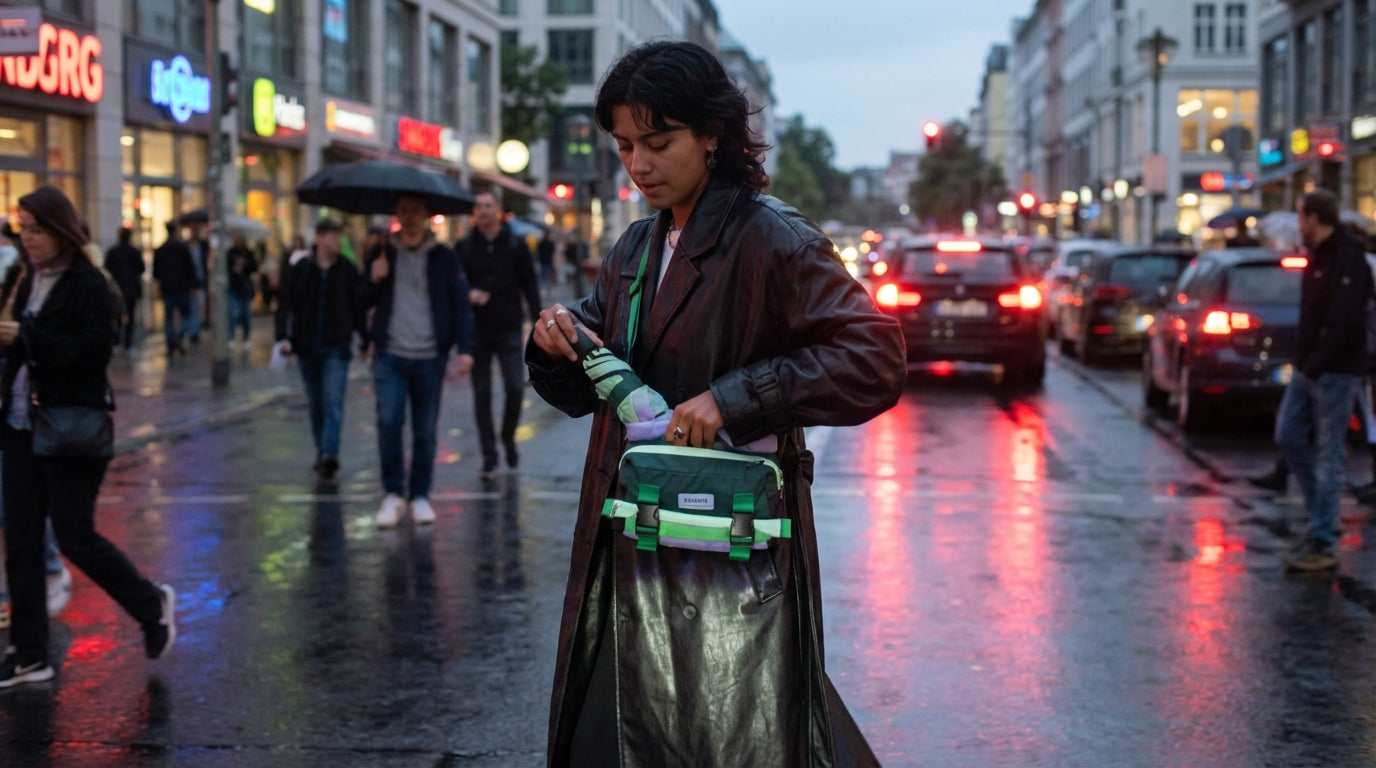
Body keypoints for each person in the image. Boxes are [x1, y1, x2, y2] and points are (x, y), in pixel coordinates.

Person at [526, 41, 905, 766]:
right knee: (640, 719)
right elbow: (592, 381)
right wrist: (554, 344)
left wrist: (731, 400)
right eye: (625, 145)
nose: (638, 164)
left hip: (734, 542)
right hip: (636, 532)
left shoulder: (774, 238)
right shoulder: (636, 245)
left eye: (658, 142)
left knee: (747, 726)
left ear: (713, 135)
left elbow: (874, 357)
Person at [0, 185, 175, 689]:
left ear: (60, 230)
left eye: (35, 229)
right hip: (19, 426)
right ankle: (30, 653)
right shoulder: (22, 276)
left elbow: (93, 353)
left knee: (75, 534)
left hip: (71, 427)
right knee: (22, 541)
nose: (26, 239)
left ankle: (150, 604)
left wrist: (27, 336)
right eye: (21, 228)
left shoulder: (89, 284)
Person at [360, 195, 476, 528]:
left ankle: (420, 494)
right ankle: (393, 492)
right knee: (388, 423)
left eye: (415, 212)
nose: (409, 218)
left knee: (425, 432)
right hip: (390, 355)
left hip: (429, 356)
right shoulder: (382, 253)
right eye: (403, 211)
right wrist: (373, 278)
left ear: (426, 216)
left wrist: (465, 349)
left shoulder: (445, 257)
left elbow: (460, 305)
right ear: (396, 215)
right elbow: (361, 299)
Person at [1278, 188, 1373, 572]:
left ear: (1314, 218)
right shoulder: (1318, 256)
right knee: (1288, 436)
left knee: (1329, 453)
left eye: (1301, 217)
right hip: (1311, 367)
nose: (1299, 224)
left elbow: (1343, 320)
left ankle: (1325, 538)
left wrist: (1315, 362)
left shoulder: (1348, 260)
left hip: (1335, 370)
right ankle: (1321, 518)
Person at [458, 189, 542, 477]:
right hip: (476, 331)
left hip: (508, 326)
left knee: (515, 388)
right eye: (478, 206)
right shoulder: (466, 246)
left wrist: (538, 321)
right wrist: (469, 294)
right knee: (481, 395)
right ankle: (489, 456)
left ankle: (507, 436)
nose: (482, 211)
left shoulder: (515, 244)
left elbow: (529, 285)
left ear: (498, 210)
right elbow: (455, 286)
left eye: (487, 206)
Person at [275, 219, 366, 480]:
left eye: (339, 237)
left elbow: (357, 306)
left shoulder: (347, 270)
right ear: (319, 238)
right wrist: (284, 338)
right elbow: (287, 304)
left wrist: (365, 339)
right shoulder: (302, 269)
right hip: (307, 346)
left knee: (333, 400)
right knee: (317, 404)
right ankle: (321, 450)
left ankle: (329, 453)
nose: (338, 242)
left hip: (336, 346)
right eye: (333, 237)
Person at [152, 222, 197, 357]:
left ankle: (172, 342)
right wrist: (193, 285)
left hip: (168, 287)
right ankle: (179, 339)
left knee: (170, 318)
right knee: (185, 316)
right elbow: (190, 268)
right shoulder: (182, 248)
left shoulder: (161, 249)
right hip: (181, 287)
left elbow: (156, 272)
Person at [104, 226, 145, 355]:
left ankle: (117, 343)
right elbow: (141, 268)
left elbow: (108, 269)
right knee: (129, 318)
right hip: (129, 290)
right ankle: (127, 344)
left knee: (117, 317)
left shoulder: (114, 252)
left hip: (118, 290)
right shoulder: (133, 252)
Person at [225, 236, 258, 349]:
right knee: (234, 313)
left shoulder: (248, 253)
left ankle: (246, 338)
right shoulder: (230, 253)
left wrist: (244, 264)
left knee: (245, 314)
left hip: (245, 288)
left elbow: (254, 267)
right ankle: (232, 337)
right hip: (234, 287)